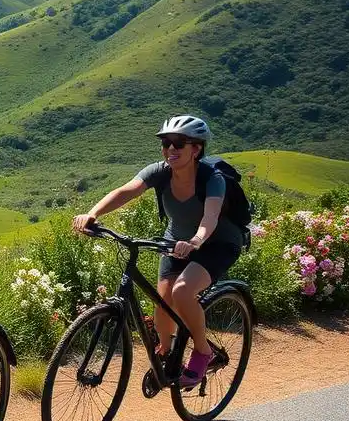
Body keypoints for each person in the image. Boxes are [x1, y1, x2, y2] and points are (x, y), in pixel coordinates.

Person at [72, 115, 243, 388]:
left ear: (196, 148)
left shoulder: (213, 178)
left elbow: (209, 218)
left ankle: (203, 351)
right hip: (176, 240)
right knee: (163, 305)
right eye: (165, 143)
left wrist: (196, 241)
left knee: (183, 291)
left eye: (178, 143)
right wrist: (92, 214)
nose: (170, 150)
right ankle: (166, 353)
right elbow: (126, 191)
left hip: (217, 242)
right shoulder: (160, 171)